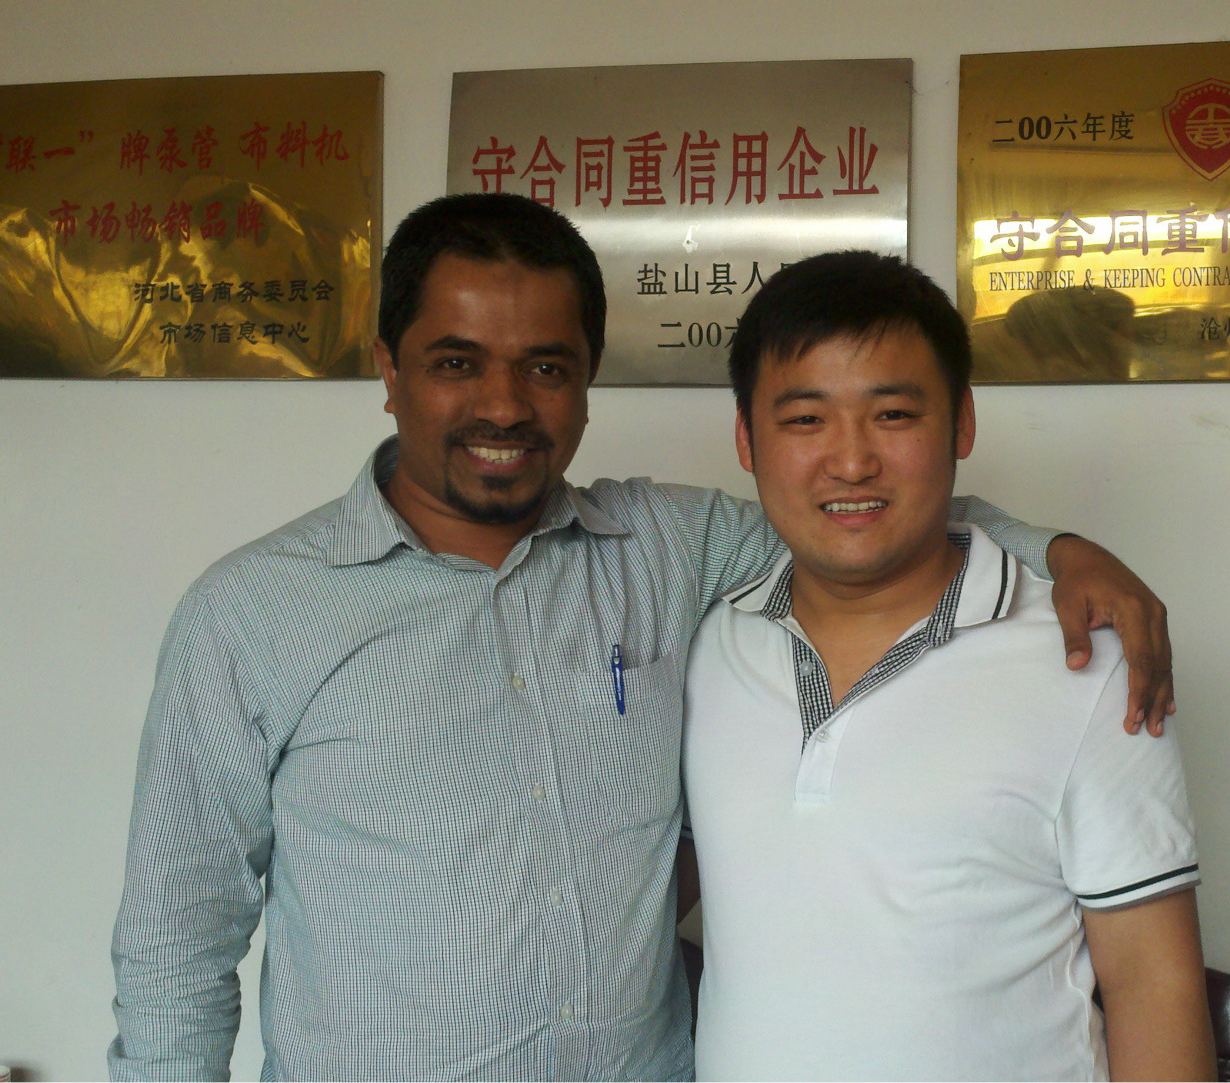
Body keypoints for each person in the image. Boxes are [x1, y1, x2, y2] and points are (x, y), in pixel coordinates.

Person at [108, 193, 1176, 1081]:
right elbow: (174, 945)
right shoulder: (252, 611)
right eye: (456, 362)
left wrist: (1061, 549)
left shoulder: (669, 548)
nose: (503, 406)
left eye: (546, 367)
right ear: (388, 369)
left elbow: (856, 513)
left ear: (586, 379)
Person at [684, 251, 1213, 1080]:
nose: (851, 461)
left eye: (893, 414)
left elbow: (1153, 980)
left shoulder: (1084, 658)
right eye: (805, 419)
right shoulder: (710, 643)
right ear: (747, 440)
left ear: (961, 423)